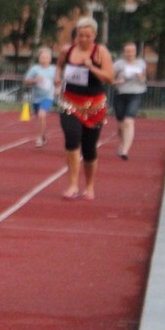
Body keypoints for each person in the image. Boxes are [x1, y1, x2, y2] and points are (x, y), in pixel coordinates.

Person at [54, 16, 114, 200]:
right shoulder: (68, 50)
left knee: (89, 148)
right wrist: (57, 77)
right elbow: (59, 66)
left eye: (88, 36)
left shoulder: (100, 52)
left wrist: (91, 68)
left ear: (94, 36)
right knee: (72, 139)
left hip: (94, 106)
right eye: (81, 35)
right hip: (70, 102)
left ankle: (89, 186)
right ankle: (72, 184)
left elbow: (109, 78)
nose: (84, 39)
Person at [112, 42, 147, 160]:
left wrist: (140, 77)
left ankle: (125, 150)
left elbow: (144, 79)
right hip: (121, 94)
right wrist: (117, 81)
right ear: (124, 52)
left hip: (136, 93)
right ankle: (122, 143)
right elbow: (110, 78)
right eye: (128, 51)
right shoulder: (118, 64)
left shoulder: (141, 63)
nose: (130, 54)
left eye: (132, 51)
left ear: (135, 52)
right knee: (121, 123)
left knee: (129, 121)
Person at [23, 46, 56, 147]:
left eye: (46, 57)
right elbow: (26, 81)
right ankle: (43, 135)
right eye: (42, 57)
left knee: (42, 115)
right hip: (36, 98)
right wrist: (34, 80)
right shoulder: (35, 69)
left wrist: (58, 89)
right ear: (39, 58)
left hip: (48, 97)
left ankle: (39, 138)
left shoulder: (54, 69)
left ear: (50, 59)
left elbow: (59, 81)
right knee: (40, 118)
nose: (44, 60)